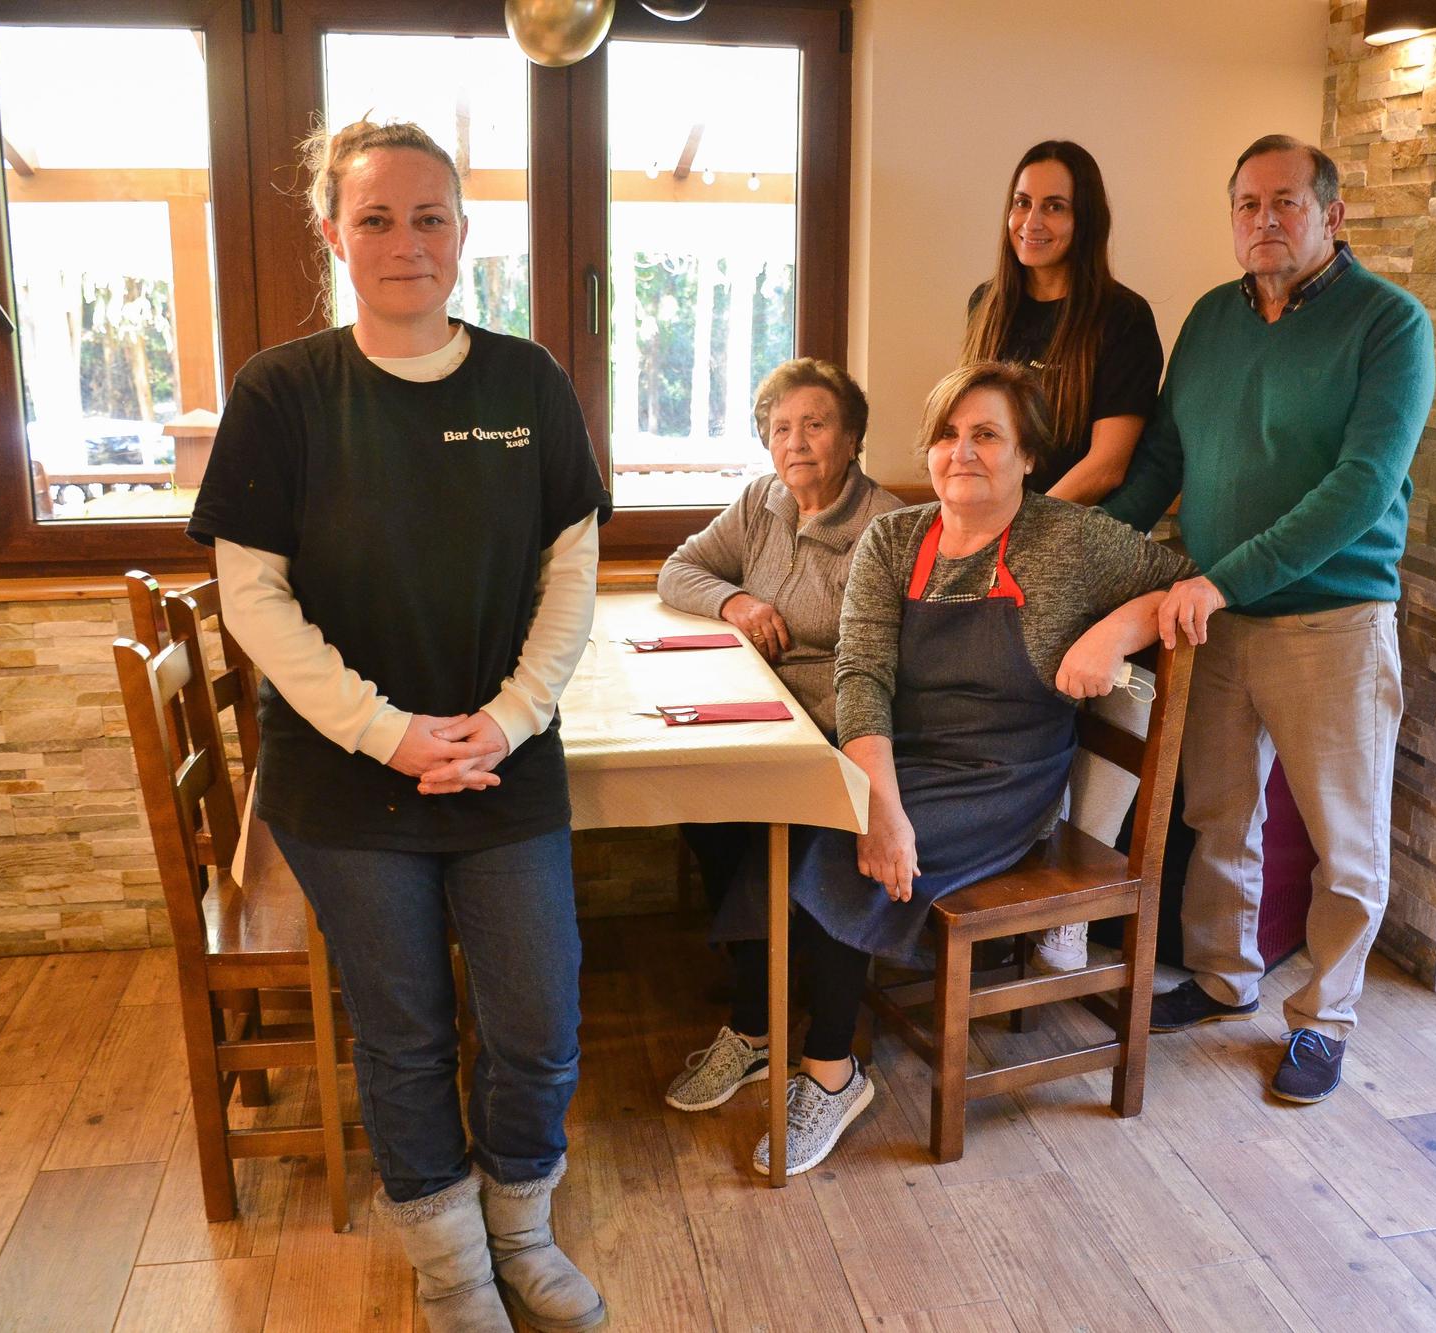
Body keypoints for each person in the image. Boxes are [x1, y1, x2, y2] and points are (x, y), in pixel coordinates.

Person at [187, 120, 609, 1333]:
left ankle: (520, 1231)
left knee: (537, 1014)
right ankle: (448, 1267)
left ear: (464, 233)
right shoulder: (284, 389)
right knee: (406, 1028)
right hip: (342, 776)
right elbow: (251, 594)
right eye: (375, 218)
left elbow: (569, 568)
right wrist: (388, 732)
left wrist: (510, 718)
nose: (405, 242)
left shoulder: (525, 380)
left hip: (504, 763)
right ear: (333, 234)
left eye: (430, 217)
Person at [668, 361, 1197, 1178]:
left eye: (986, 434)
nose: (962, 452)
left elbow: (1186, 582)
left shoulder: (1070, 539)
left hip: (1003, 774)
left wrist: (1116, 632)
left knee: (850, 847)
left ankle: (832, 1073)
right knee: (789, 815)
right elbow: (862, 678)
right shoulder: (894, 537)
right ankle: (756, 1025)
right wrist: (884, 803)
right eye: (949, 434)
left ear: (1028, 456)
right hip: (904, 751)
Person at [1103, 134, 1435, 1105]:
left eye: (1285, 203)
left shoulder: (1389, 325)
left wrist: (1222, 578)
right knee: (1217, 811)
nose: (1263, 221)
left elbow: (1360, 488)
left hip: (1328, 620)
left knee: (1345, 836)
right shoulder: (1210, 318)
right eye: (1246, 204)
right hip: (1213, 615)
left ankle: (1323, 1015)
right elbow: (1162, 459)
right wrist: (1073, 543)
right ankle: (1218, 976)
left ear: (1332, 216)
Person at [656, 358, 902, 921]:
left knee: (736, 816)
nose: (796, 443)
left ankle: (760, 978)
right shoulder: (762, 500)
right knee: (697, 800)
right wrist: (734, 601)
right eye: (780, 429)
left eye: (815, 425)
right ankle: (755, 960)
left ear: (852, 437)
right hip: (756, 709)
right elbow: (677, 570)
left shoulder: (884, 526)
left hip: (828, 726)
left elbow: (876, 663)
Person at [961, 140, 1163, 504]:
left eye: (1054, 207)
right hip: (990, 522)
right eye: (1022, 203)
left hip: (1077, 533)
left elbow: (1107, 466)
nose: (1032, 222)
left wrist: (1026, 531)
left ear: (1085, 220)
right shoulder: (985, 305)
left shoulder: (1124, 317)